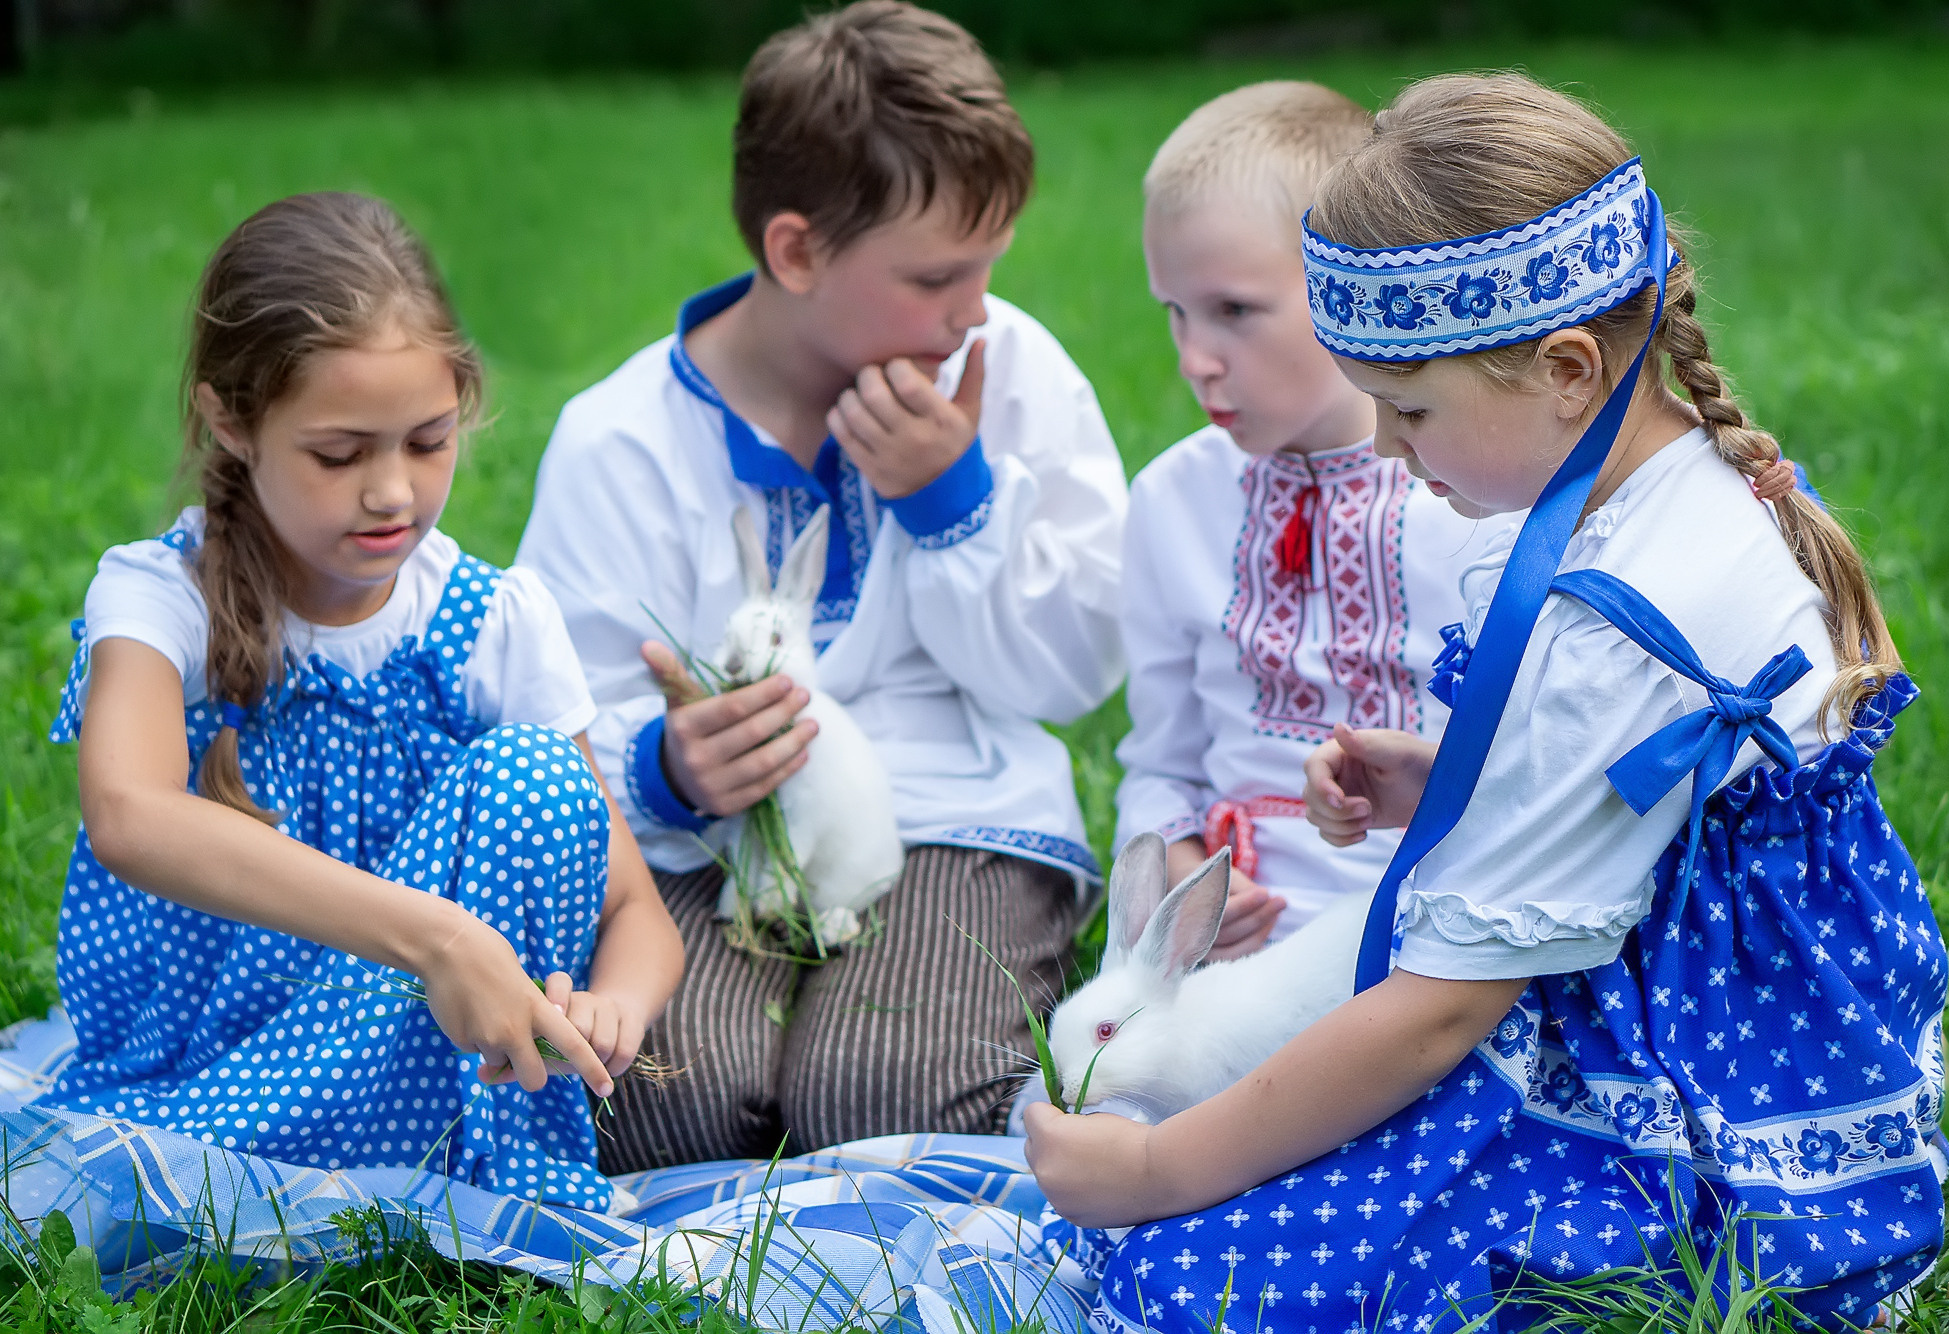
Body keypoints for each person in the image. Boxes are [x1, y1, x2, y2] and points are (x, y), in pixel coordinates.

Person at [1025, 73, 1949, 1330]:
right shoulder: (1688, 489)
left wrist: (1153, 1168)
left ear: (1566, 369)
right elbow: (1640, 799)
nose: (1386, 447)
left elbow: (1435, 1013)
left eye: (1407, 408)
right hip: (1779, 1057)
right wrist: (1452, 780)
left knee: (1198, 1267)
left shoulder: (1611, 618)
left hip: (1695, 1117)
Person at [515, 0, 1125, 1170]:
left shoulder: (1007, 373)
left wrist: (954, 505)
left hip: (954, 821)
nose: (973, 310)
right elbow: (555, 717)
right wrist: (668, 768)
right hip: (701, 853)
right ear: (794, 252)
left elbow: (1078, 669)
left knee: (879, 1095)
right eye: (936, 276)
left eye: (988, 267)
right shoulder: (622, 440)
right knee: (666, 1099)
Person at [39, 193, 684, 1213]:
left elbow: (634, 907)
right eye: (340, 454)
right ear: (231, 421)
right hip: (209, 1088)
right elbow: (129, 813)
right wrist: (438, 938)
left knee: (535, 772)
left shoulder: (493, 620)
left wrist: (616, 1005)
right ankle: (268, 1180)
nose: (392, 491)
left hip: (429, 1091)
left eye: (428, 441)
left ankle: (437, 1169)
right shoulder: (161, 596)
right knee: (154, 1187)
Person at [1118, 81, 1486, 963]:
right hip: (1224, 936)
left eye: (1234, 312)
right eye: (1175, 312)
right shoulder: (1173, 500)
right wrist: (1175, 866)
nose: (1194, 359)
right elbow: (1160, 759)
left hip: (1432, 932)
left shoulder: (1474, 497)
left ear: (1350, 285)